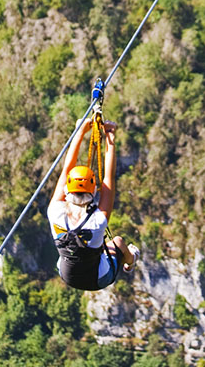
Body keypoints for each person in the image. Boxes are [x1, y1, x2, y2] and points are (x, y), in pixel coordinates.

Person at [48, 117, 140, 291]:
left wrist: (80, 131)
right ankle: (131, 261)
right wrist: (110, 135)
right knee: (118, 242)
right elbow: (109, 177)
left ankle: (127, 260)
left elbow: (67, 168)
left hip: (67, 275)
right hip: (98, 278)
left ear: (67, 188)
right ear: (94, 191)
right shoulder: (98, 220)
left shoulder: (54, 210)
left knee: (74, 250)